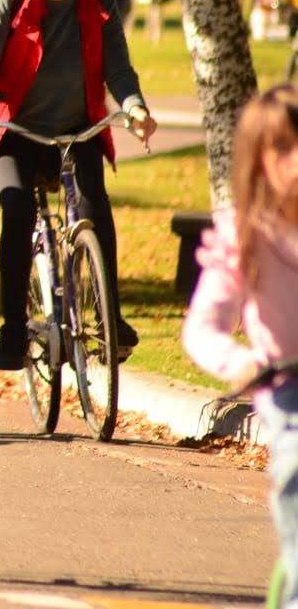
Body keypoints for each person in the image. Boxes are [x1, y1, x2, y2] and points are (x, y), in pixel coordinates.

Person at [0, 0, 156, 372]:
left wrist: (135, 107)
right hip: (12, 131)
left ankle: (112, 319)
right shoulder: (7, 4)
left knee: (93, 208)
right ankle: (12, 328)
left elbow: (119, 71)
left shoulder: (100, 4)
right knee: (19, 208)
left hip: (76, 130)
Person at [183, 84, 298, 608]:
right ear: (259, 159)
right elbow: (202, 327)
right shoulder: (243, 235)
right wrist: (240, 360)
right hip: (286, 389)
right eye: (282, 149)